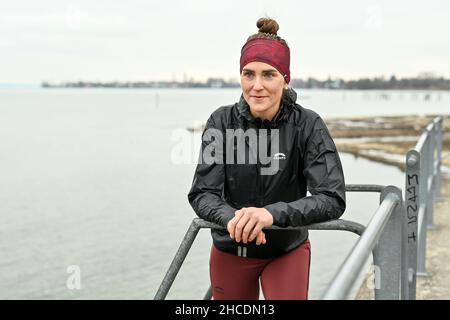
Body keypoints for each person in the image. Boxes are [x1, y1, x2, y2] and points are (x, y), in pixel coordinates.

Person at [188, 17, 346, 300]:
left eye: (268, 74)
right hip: (231, 248)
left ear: (286, 79)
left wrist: (271, 214)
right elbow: (203, 193)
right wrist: (236, 220)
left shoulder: (308, 125)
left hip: (286, 250)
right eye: (248, 74)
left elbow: (332, 197)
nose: (257, 86)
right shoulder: (221, 122)